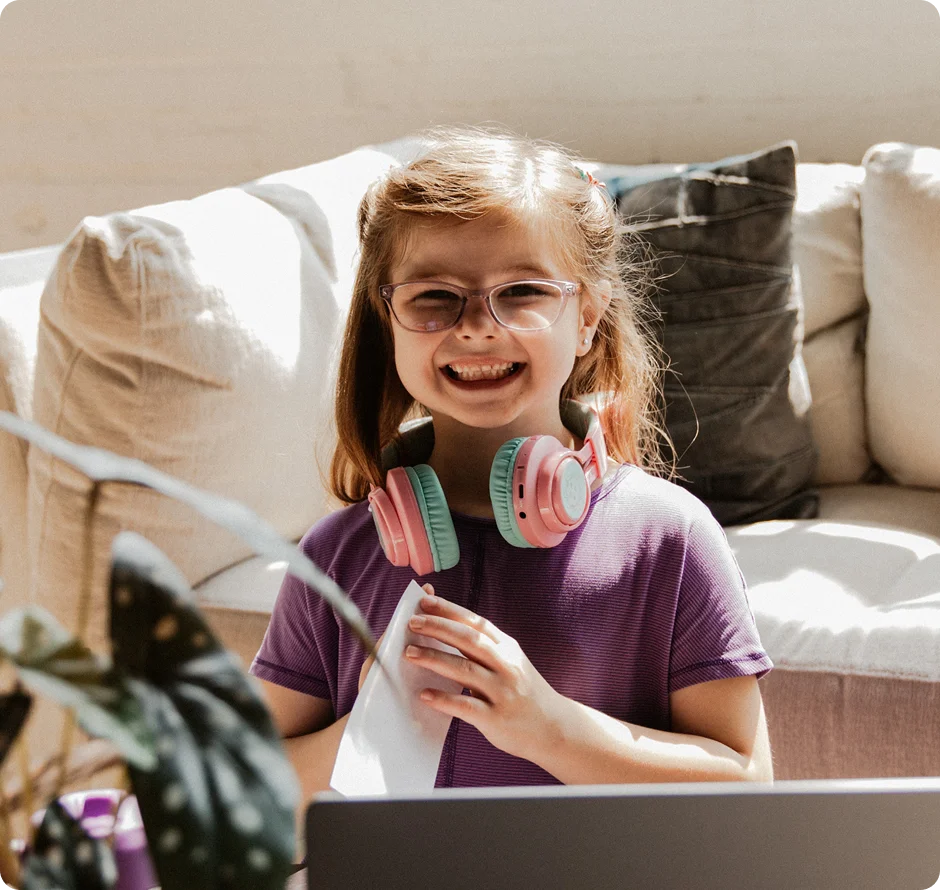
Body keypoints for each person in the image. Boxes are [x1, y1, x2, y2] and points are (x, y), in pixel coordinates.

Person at [249, 126, 774, 818]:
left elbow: (748, 786)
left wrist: (549, 729)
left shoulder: (668, 539)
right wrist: (373, 733)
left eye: (521, 291)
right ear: (389, 319)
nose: (476, 327)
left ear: (586, 316)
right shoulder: (336, 556)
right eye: (433, 296)